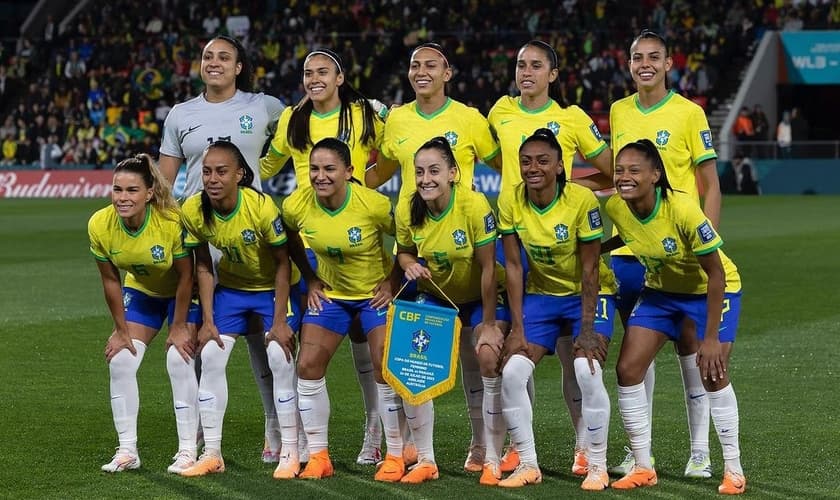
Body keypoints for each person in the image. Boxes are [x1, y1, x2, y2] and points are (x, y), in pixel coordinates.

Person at [366, 42, 501, 472]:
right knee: (410, 357)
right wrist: (341, 181)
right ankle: (407, 450)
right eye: (414, 65)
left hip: (463, 248)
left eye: (431, 65)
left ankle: (487, 446)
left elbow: (506, 166)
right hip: (419, 252)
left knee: (477, 358)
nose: (421, 71)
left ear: (448, 72)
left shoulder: (470, 119)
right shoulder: (398, 120)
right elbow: (383, 170)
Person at [158, 34, 290, 463]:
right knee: (201, 338)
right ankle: (196, 433)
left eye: (224, 57)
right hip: (200, 240)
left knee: (262, 339)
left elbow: (309, 124)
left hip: (252, 237)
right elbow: (164, 182)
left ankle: (275, 427)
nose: (214, 63)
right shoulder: (181, 115)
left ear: (239, 67)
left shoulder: (264, 106)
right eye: (207, 56)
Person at [259, 49, 392, 464]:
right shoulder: (293, 118)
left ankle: (375, 429)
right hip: (309, 242)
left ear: (339, 76)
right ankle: (292, 438)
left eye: (322, 72)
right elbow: (266, 164)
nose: (314, 79)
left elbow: (391, 154)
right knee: (300, 348)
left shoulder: (363, 115)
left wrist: (364, 185)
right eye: (307, 73)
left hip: (354, 237)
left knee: (364, 340)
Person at [487, 39, 614, 475]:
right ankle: (520, 447)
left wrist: (575, 195)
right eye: (521, 64)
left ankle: (585, 444)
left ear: (552, 75)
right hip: (516, 236)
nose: (526, 72)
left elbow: (611, 169)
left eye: (536, 65)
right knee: (517, 349)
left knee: (574, 357)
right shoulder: (499, 112)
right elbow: (488, 159)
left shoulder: (571, 118)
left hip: (565, 236)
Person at [608, 29, 722, 478]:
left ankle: (700, 451)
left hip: (681, 249)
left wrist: (707, 236)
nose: (645, 64)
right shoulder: (619, 111)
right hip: (630, 249)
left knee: (691, 349)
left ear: (669, 63)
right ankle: (641, 452)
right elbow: (623, 176)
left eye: (654, 57)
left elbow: (710, 182)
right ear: (629, 63)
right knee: (638, 349)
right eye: (637, 57)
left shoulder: (689, 113)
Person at [605, 139, 746, 495]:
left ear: (655, 175)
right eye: (620, 170)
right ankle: (642, 466)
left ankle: (733, 469)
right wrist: (588, 248)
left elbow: (715, 274)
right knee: (627, 370)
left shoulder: (683, 209)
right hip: (661, 292)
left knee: (712, 374)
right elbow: (631, 233)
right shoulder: (617, 208)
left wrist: (710, 338)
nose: (624, 177)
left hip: (711, 291)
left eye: (634, 170)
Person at [387, 137, 509, 485]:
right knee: (411, 365)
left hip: (479, 297)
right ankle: (425, 459)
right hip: (437, 296)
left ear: (453, 173)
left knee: (486, 357)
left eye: (435, 171)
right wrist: (409, 265)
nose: (426, 178)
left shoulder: (473, 205)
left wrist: (487, 323)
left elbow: (488, 268)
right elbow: (404, 252)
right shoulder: (409, 208)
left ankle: (489, 453)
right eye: (420, 172)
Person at [178, 141, 301, 477]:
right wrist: (206, 320)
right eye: (206, 171)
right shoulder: (193, 210)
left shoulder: (260, 207)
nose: (212, 179)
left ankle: (290, 450)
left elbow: (283, 264)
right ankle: (212, 453)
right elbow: (202, 264)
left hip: (273, 289)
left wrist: (278, 321)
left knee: (278, 355)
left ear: (240, 174)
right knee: (212, 355)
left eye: (221, 171)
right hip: (232, 290)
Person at [280, 138, 398, 480]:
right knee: (307, 364)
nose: (320, 176)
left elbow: (409, 237)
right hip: (332, 295)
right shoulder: (297, 204)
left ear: (348, 171)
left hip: (373, 295)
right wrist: (310, 276)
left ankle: (392, 454)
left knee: (383, 366)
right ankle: (318, 457)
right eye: (314, 168)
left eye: (330, 169)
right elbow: (288, 236)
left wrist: (391, 282)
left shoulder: (373, 204)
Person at [89, 154, 201, 473]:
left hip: (182, 292)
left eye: (132, 190)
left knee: (178, 358)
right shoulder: (100, 224)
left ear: (149, 193)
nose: (123, 198)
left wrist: (178, 326)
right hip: (143, 292)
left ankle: (187, 450)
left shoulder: (170, 222)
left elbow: (186, 275)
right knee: (121, 359)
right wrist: (121, 329)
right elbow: (110, 280)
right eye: (117, 190)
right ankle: (127, 451)